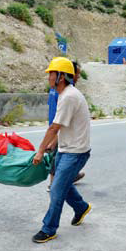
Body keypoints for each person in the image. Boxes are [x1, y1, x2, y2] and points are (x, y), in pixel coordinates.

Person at [32, 57, 92, 243]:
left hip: (76, 152)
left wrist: (40, 151)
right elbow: (65, 125)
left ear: (61, 76)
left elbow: (54, 127)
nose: (48, 77)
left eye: (51, 73)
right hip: (66, 148)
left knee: (57, 189)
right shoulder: (64, 94)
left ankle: (49, 228)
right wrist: (55, 143)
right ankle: (81, 207)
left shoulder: (69, 97)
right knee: (62, 184)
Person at [46, 61, 85, 192]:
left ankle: (68, 178)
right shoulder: (65, 91)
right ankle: (55, 184)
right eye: (76, 73)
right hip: (59, 129)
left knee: (57, 158)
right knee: (57, 158)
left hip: (56, 127)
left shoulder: (55, 89)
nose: (78, 76)